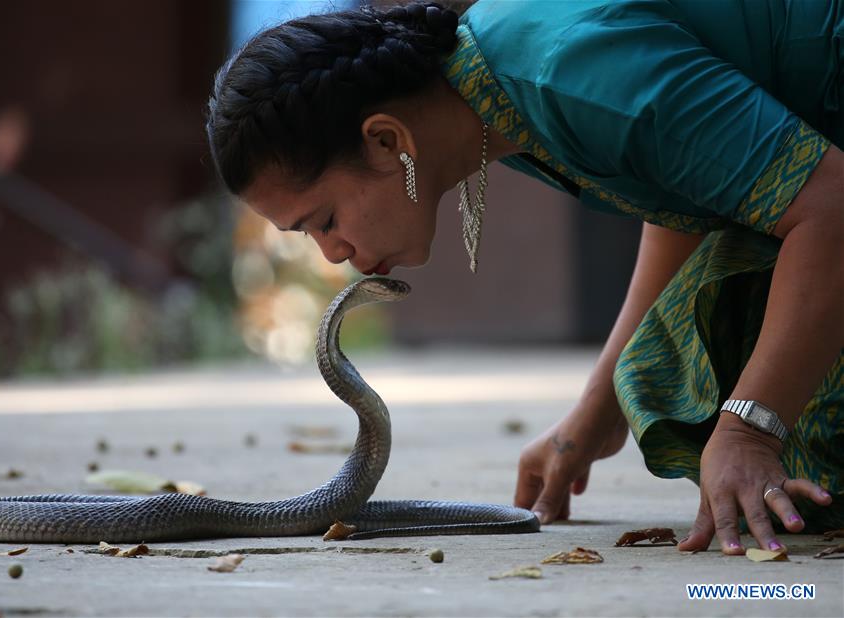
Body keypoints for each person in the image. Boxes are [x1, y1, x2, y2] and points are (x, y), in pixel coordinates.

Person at [206, 0, 843, 555]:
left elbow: (832, 205)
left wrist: (749, 428)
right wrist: (594, 415)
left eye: (324, 220)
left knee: (795, 452)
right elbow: (684, 174)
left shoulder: (565, 69)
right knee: (652, 375)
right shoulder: (495, 92)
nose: (332, 253)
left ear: (383, 141)